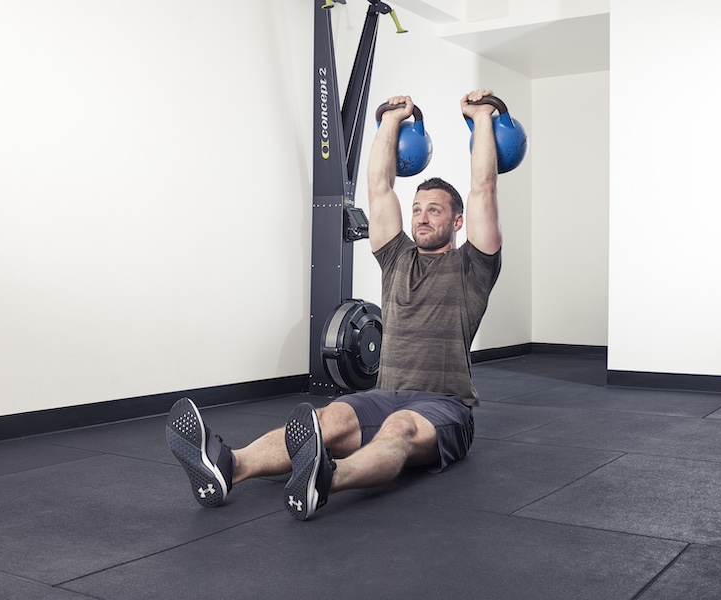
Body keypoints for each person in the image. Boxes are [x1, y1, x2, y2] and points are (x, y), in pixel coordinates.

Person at [165, 89, 503, 520]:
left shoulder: (473, 267)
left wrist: (482, 118)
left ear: (457, 221)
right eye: (417, 208)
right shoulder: (396, 257)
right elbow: (379, 188)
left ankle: (326, 479)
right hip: (384, 393)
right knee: (329, 420)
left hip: (445, 405)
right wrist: (389, 121)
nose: (420, 217)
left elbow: (484, 188)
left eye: (434, 211)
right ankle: (229, 465)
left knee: (399, 430)